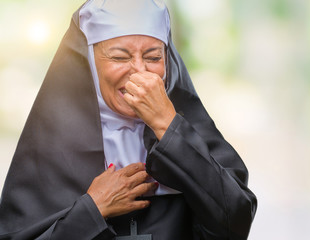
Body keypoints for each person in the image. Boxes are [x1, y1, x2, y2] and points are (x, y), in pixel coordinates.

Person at [0, 0, 257, 239]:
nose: (139, 72)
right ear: (89, 63)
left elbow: (235, 224)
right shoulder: (48, 150)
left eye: (153, 57)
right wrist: (92, 209)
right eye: (120, 57)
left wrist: (166, 125)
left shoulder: (189, 132)